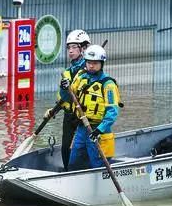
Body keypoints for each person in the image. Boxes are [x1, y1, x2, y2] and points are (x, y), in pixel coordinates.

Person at [59, 45, 121, 170]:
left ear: (101, 64)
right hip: (82, 129)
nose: (91, 66)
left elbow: (112, 112)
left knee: (98, 165)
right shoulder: (81, 78)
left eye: (95, 63)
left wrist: (99, 130)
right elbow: (67, 98)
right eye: (89, 62)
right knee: (74, 163)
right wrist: (64, 88)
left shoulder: (108, 85)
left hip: (99, 132)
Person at [44, 29, 91, 171]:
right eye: (69, 48)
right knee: (65, 147)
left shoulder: (90, 68)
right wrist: (53, 110)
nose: (70, 51)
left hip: (84, 115)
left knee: (83, 146)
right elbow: (64, 98)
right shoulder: (67, 71)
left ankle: (85, 170)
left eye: (74, 47)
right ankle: (68, 172)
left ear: (83, 48)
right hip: (69, 115)